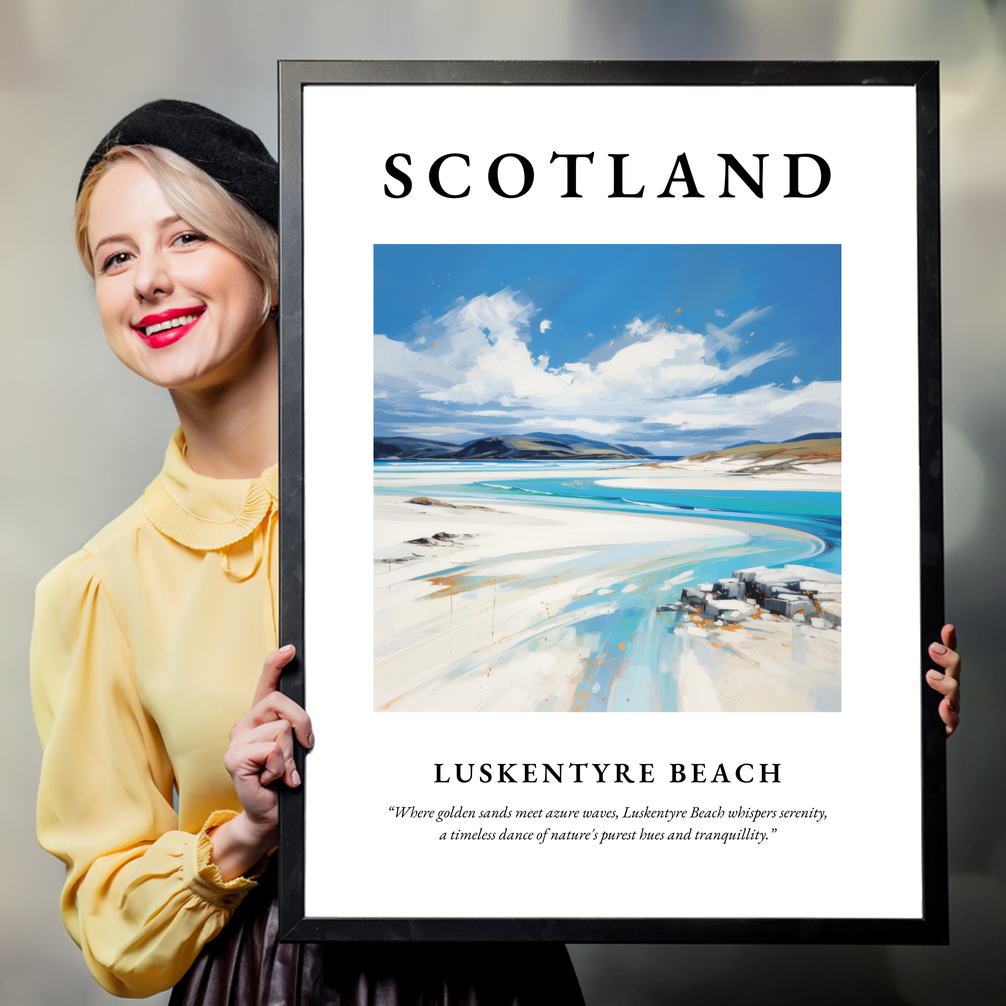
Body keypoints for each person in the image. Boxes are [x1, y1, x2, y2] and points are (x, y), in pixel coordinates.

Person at [30, 100, 585, 1004]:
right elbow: (110, 924)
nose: (148, 281)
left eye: (186, 239)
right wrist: (245, 832)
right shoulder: (97, 587)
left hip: (493, 973)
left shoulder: (446, 505)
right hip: (262, 982)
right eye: (116, 257)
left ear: (274, 264)